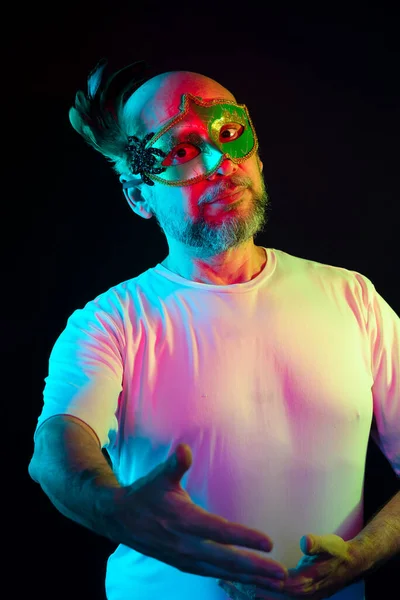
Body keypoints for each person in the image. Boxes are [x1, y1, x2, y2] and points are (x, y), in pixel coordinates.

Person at [29, 59, 399, 600]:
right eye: (180, 150)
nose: (219, 163)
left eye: (230, 134)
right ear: (139, 196)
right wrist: (112, 506)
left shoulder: (352, 298)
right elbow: (57, 447)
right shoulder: (109, 323)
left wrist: (361, 557)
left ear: (256, 153)